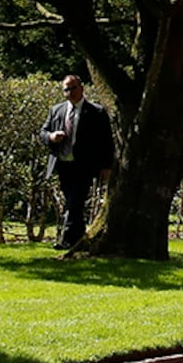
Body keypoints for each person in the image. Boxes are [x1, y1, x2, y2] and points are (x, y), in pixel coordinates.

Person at [38, 75, 116, 249]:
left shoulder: (97, 112)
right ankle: (79, 239)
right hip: (64, 163)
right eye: (66, 89)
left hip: (85, 166)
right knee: (73, 203)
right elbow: (43, 133)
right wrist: (51, 136)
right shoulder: (56, 110)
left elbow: (106, 142)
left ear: (81, 88)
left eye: (73, 88)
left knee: (74, 202)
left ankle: (65, 240)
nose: (70, 92)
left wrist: (106, 166)